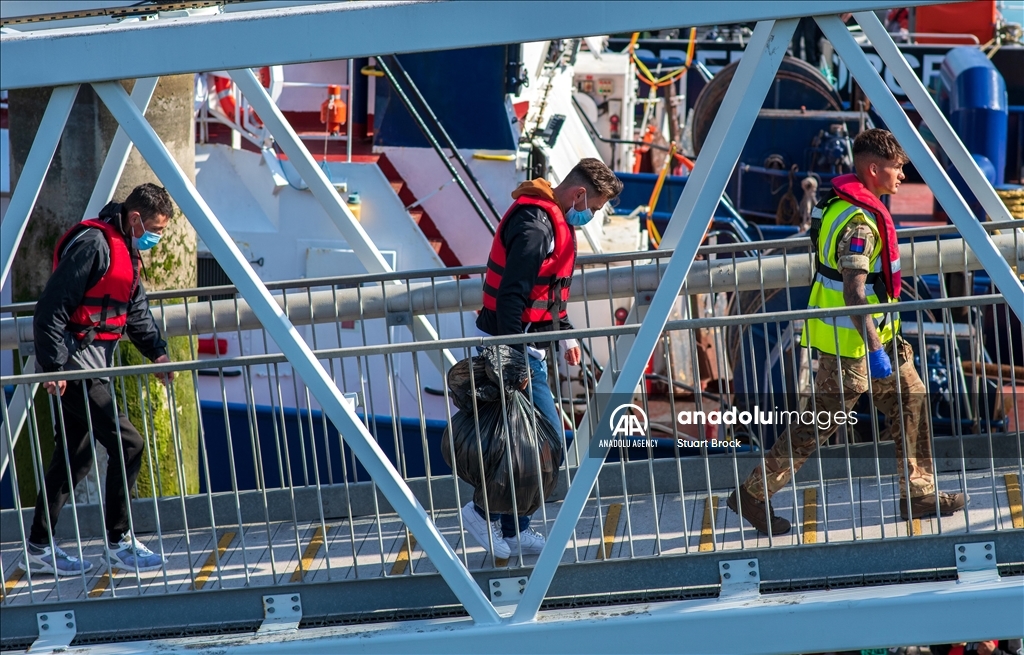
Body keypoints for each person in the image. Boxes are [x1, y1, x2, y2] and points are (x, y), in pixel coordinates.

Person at [729, 129, 965, 535]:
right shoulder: (860, 224)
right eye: (897, 169)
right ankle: (752, 494)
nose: (902, 177)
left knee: (912, 399)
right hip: (853, 348)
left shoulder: (835, 205)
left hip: (878, 340)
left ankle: (919, 491)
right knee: (819, 424)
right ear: (874, 170)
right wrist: (875, 350)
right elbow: (855, 292)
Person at [461, 158, 623, 558]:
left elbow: (546, 294)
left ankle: (516, 528)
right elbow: (511, 298)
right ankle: (482, 514)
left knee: (526, 443)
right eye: (595, 207)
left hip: (523, 345)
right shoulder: (535, 227)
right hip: (510, 347)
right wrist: (512, 359)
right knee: (541, 440)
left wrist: (563, 334)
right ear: (579, 194)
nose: (590, 215)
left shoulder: (552, 222)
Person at [22, 183, 176, 576]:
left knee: (75, 456)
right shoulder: (94, 245)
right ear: (135, 217)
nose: (156, 238)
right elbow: (51, 309)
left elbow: (135, 309)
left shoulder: (126, 248)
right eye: (155, 229)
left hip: (93, 363)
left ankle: (39, 545)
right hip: (74, 366)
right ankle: (118, 542)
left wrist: (157, 351)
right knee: (129, 444)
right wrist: (54, 368)